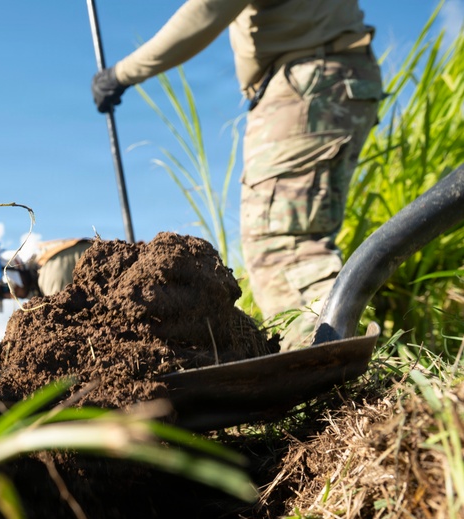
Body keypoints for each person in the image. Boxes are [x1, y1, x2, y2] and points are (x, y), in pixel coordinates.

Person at [91, 0, 384, 349]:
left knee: (284, 249)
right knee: (297, 240)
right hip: (332, 76)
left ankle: (333, 363)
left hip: (308, 80)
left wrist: (120, 74)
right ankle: (346, 359)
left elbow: (208, 9)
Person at [0, 237, 94, 300]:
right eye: (3, 296)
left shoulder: (50, 280)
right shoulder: (43, 257)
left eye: (6, 289)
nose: (12, 296)